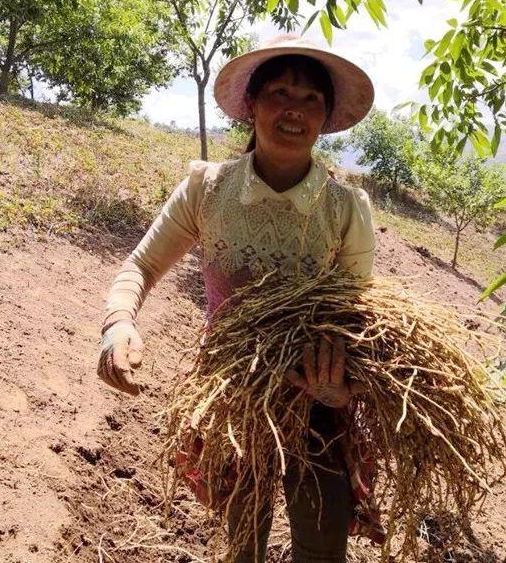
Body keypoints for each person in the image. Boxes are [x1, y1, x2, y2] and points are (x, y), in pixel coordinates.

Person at [97, 34, 380, 562]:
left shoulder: (345, 209)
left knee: (322, 546)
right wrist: (119, 323)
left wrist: (340, 388)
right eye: (279, 93)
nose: (294, 110)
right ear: (251, 105)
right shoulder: (208, 188)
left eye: (311, 99)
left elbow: (356, 317)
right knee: (242, 540)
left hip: (316, 400)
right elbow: (141, 265)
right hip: (233, 396)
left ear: (326, 116)